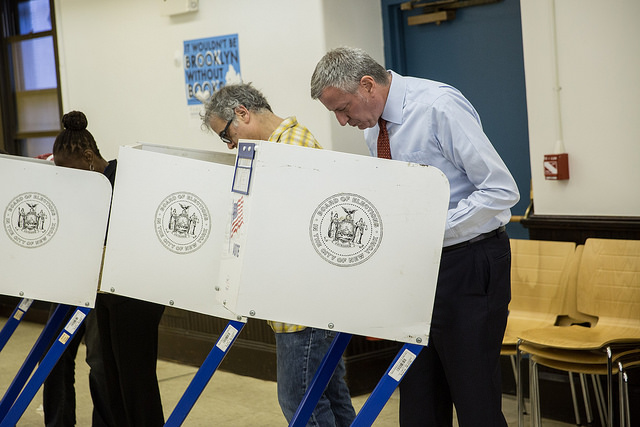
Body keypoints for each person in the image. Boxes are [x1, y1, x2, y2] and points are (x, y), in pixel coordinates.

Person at [311, 47, 520, 427]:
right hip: (416, 271)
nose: (342, 121)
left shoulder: (439, 106)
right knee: (419, 400)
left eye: (342, 108)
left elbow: (500, 190)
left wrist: (426, 229)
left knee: (474, 402)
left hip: (468, 264)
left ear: (367, 85)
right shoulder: (373, 126)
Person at [202, 83, 356, 427]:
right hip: (302, 300)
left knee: (299, 401)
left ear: (242, 113)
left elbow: (289, 226)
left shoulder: (291, 148)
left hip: (303, 303)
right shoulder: (280, 146)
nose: (230, 145)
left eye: (227, 135)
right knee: (330, 395)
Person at [52, 111, 166, 427]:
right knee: (112, 375)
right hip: (106, 289)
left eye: (69, 169)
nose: (67, 178)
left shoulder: (126, 176)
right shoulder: (86, 188)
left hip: (137, 291)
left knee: (135, 378)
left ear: (89, 156)